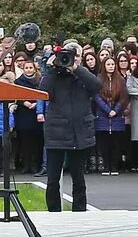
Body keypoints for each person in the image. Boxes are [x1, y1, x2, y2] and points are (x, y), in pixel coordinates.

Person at [35, 41, 100, 213]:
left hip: (79, 132)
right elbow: (44, 93)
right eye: (68, 55)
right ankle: (54, 212)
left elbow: (96, 86)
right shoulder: (54, 76)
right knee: (53, 179)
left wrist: (76, 69)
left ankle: (80, 212)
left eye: (76, 55)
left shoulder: (83, 75)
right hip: (56, 131)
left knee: (79, 177)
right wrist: (51, 70)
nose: (71, 59)